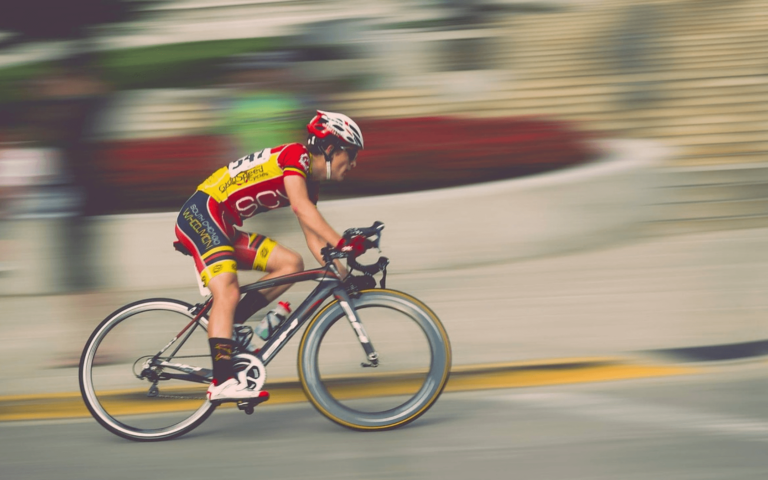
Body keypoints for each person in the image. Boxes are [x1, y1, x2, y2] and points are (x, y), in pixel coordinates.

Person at [174, 110, 364, 403]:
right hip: (203, 213)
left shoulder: (309, 183)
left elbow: (313, 239)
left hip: (222, 225)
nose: (353, 163)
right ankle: (222, 382)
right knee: (227, 290)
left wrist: (343, 274)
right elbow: (302, 209)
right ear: (330, 148)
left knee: (291, 263)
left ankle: (230, 324)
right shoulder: (296, 156)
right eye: (350, 154)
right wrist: (343, 242)